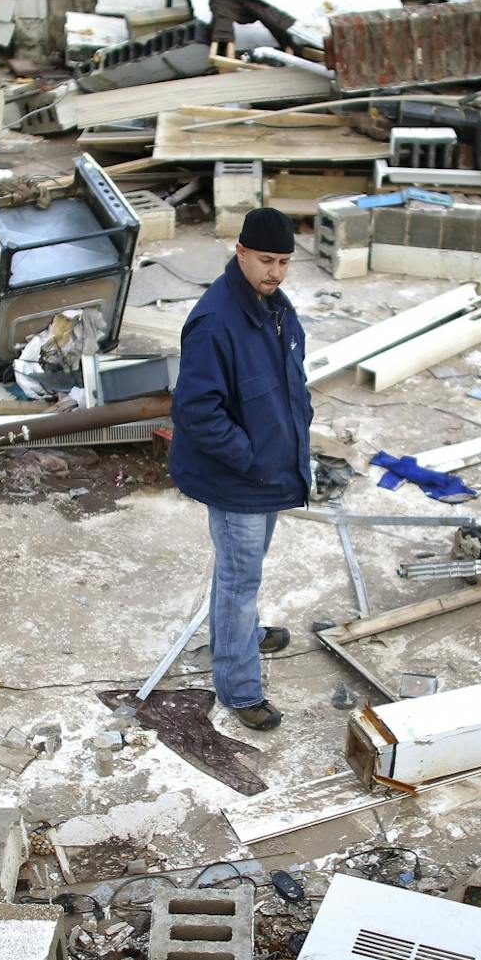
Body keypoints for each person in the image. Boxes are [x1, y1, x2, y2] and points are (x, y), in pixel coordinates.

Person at [168, 208, 312, 731]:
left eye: (284, 262)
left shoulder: (274, 306)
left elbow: (290, 383)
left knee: (242, 575)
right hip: (239, 477)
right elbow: (196, 411)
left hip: (269, 469)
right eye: (265, 260)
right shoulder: (215, 321)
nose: (274, 272)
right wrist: (249, 457)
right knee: (238, 580)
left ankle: (240, 634)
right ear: (241, 253)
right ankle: (239, 688)